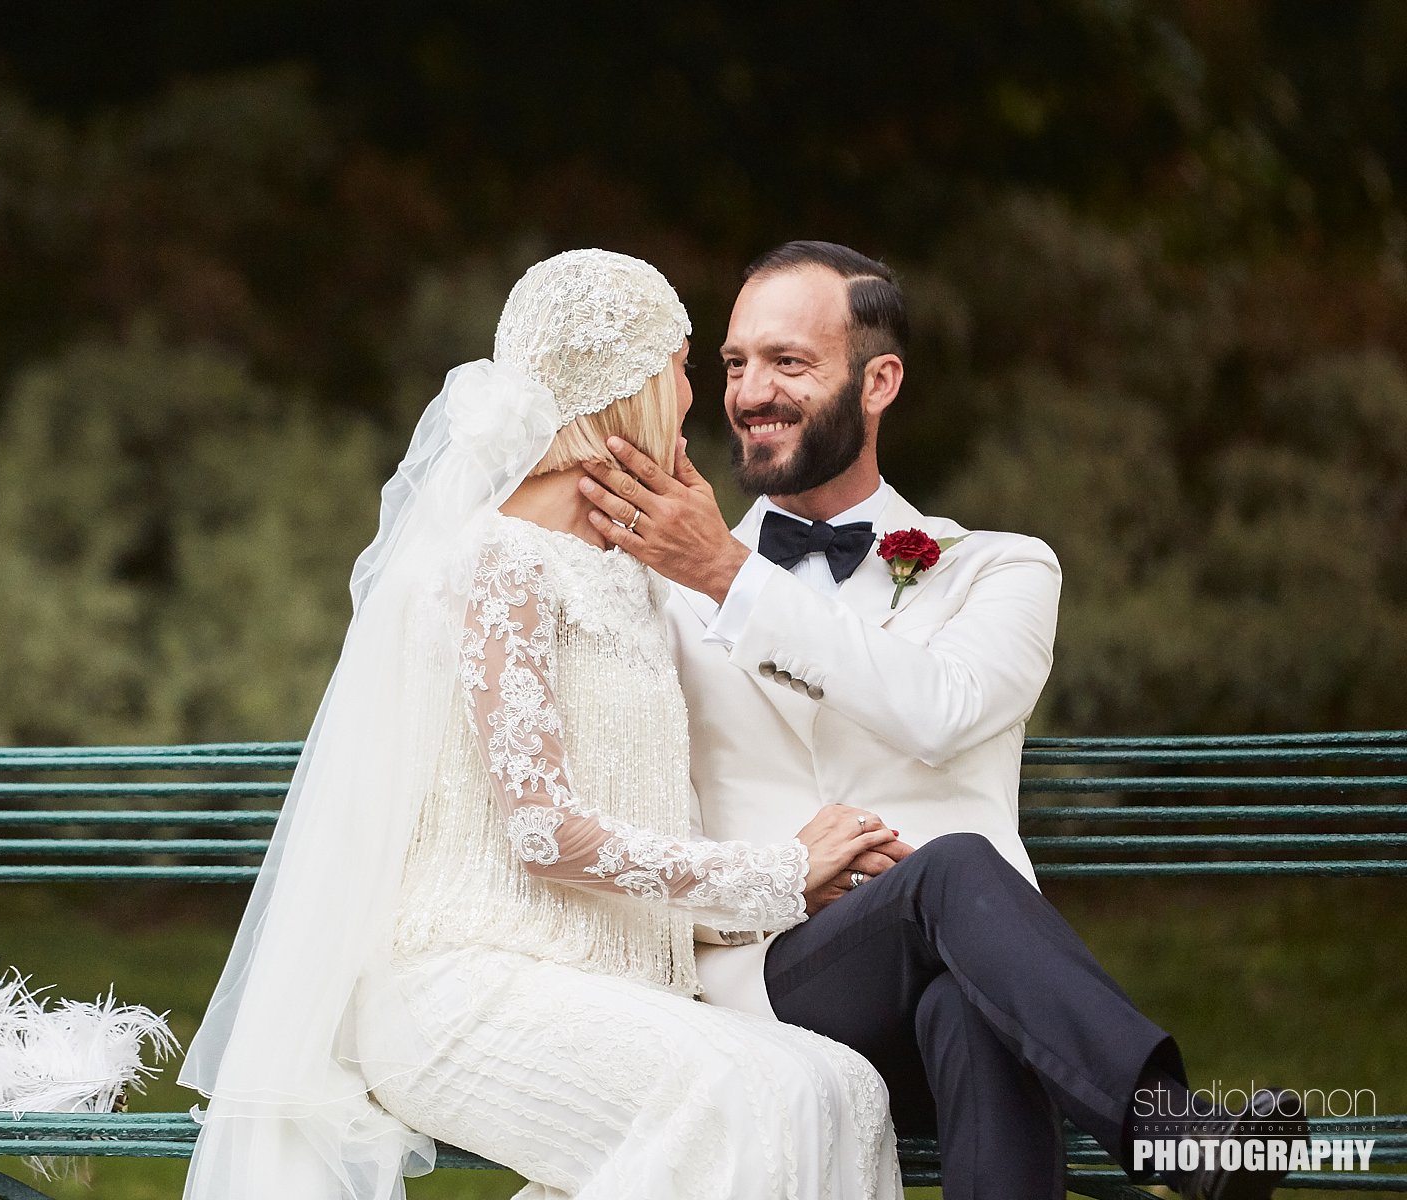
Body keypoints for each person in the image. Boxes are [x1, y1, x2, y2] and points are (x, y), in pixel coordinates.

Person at [575, 240, 1307, 1200]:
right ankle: (1180, 1140)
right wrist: (778, 876)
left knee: (967, 995)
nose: (751, 393)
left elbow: (940, 711)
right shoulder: (659, 594)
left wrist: (731, 576)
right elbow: (618, 828)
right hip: (772, 998)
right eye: (735, 363)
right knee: (956, 866)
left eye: (789, 362)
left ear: (879, 382)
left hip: (968, 1011)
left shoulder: (999, 568)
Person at [177, 249, 905, 1200]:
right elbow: (544, 832)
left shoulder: (637, 580)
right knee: (741, 1099)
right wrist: (776, 872)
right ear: (629, 388)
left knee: (843, 1086)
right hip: (462, 985)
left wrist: (790, 894)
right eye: (684, 367)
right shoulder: (497, 562)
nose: (696, 397)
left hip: (609, 991)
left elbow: (651, 819)